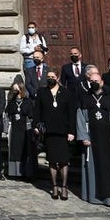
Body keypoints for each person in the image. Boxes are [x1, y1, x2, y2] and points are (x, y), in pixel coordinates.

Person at [75, 66, 110, 206]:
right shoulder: (84, 99)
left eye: (96, 80)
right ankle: (95, 197)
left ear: (101, 82)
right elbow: (80, 119)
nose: (94, 82)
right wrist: (84, 136)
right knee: (94, 166)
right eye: (91, 80)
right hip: (92, 139)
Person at [33, 69, 74, 199]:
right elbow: (37, 110)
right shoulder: (42, 92)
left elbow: (71, 113)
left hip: (62, 131)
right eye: (48, 76)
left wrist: (72, 131)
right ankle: (54, 186)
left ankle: (64, 186)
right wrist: (36, 125)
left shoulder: (66, 93)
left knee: (63, 161)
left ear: (58, 78)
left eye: (52, 76)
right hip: (49, 131)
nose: (50, 78)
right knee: (51, 160)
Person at [5, 79, 34, 180]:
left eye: (17, 89)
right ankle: (15, 173)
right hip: (14, 129)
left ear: (21, 89)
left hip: (25, 129)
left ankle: (26, 172)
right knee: (14, 150)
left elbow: (31, 117)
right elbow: (7, 116)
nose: (15, 91)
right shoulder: (11, 103)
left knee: (25, 150)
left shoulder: (28, 102)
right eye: (14, 90)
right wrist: (6, 130)